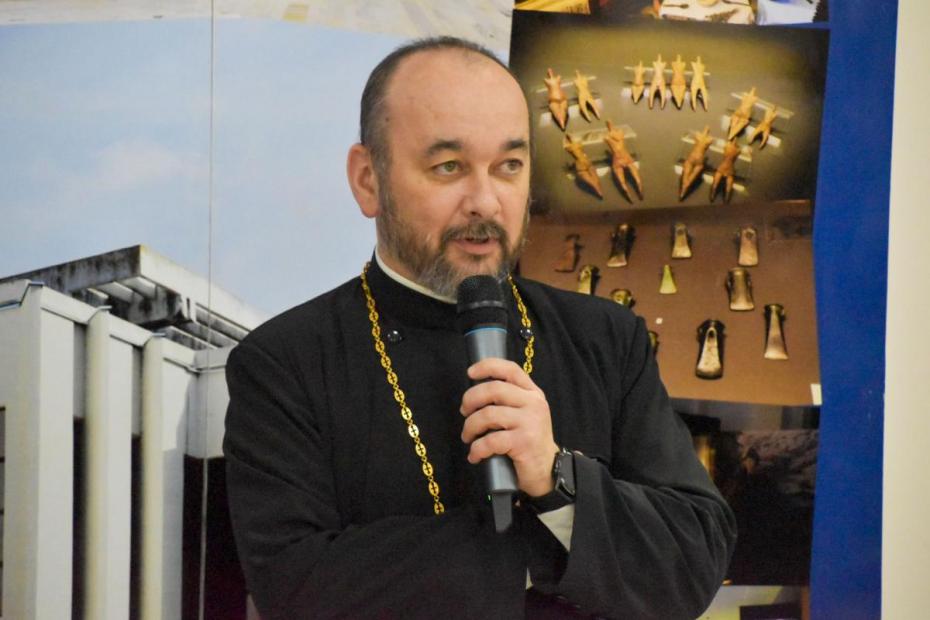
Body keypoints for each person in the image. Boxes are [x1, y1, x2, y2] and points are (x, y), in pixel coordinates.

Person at [223, 36, 736, 620]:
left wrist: (558, 478)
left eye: (508, 166)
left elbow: (694, 558)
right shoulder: (284, 363)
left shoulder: (605, 339)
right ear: (369, 180)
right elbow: (296, 587)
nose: (486, 202)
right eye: (449, 167)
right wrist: (537, 548)